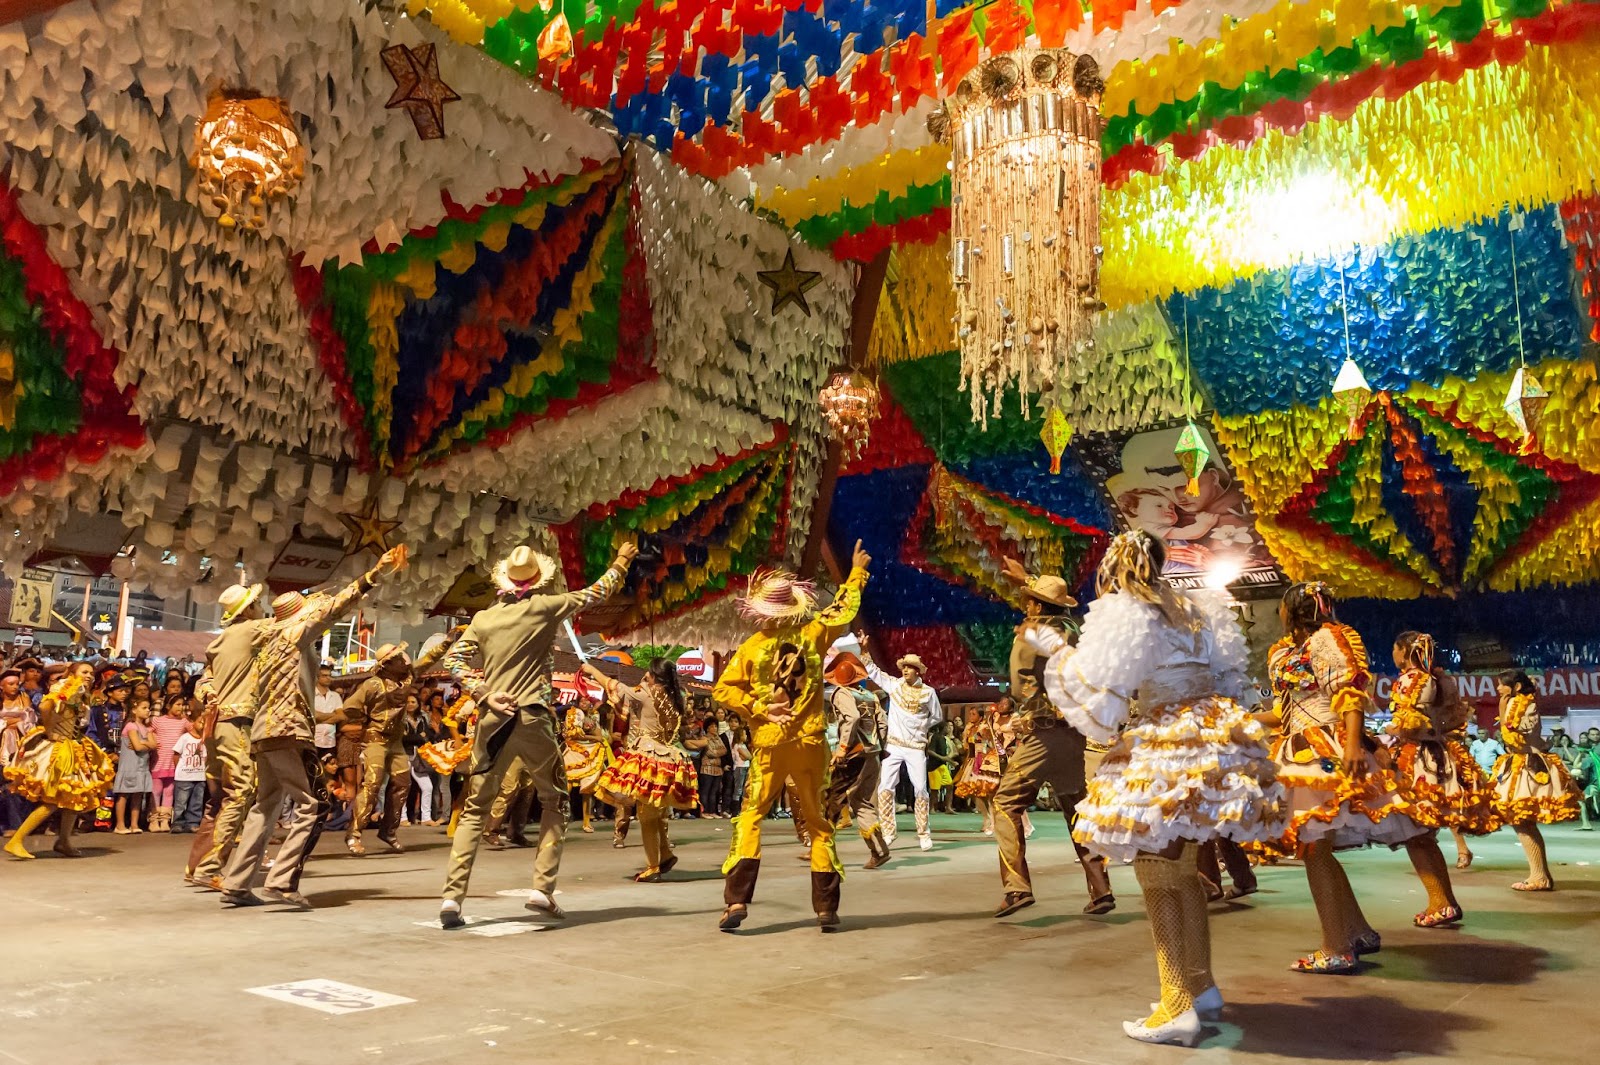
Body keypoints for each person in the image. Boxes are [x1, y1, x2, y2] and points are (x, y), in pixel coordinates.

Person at [1026, 530, 1285, 1047]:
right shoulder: (1198, 605)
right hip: (1212, 736)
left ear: (1119, 565)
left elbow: (1102, 693)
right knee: (1183, 866)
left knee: (1156, 871)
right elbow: (1234, 679)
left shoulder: (1130, 608)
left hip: (1166, 739)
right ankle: (1201, 986)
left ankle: (1176, 1005)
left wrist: (1053, 644)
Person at [436, 540, 636, 929]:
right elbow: (599, 591)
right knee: (554, 800)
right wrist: (623, 560)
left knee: (476, 809)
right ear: (536, 580)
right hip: (533, 717)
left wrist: (483, 692)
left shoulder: (483, 619)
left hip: (491, 718)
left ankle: (451, 899)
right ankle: (542, 889)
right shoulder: (545, 606)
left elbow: (454, 661)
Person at [220, 546, 406, 911]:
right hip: (289, 729)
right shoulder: (293, 635)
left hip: (264, 731)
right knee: (314, 803)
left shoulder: (267, 641)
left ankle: (237, 882)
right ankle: (282, 881)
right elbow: (335, 608)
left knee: (265, 806)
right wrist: (373, 575)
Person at [1257, 582, 1421, 975]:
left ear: (1293, 608)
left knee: (1314, 846)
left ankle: (1335, 947)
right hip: (1295, 749)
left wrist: (1350, 745)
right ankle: (1357, 932)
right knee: (1315, 846)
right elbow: (1285, 710)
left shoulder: (1329, 638)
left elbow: (1348, 692)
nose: (1279, 611)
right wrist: (1240, 719)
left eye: (1282, 604)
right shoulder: (1282, 652)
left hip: (1323, 749)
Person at [713, 541, 871, 933]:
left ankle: (736, 900)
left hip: (770, 742)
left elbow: (722, 691)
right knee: (819, 822)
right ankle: (826, 908)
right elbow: (844, 609)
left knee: (751, 815)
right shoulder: (814, 633)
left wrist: (761, 708)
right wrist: (855, 573)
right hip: (812, 742)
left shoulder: (753, 648)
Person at [991, 561, 1113, 920]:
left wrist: (1030, 705)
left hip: (1043, 733)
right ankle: (1101, 889)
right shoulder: (1077, 630)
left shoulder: (1032, 632)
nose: (1025, 605)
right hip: (1075, 732)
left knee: (1005, 803)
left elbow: (1019, 685)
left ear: (1038, 607)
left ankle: (1016, 888)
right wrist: (1028, 580)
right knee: (1077, 809)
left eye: (1029, 601)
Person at [1386, 631, 1498, 925]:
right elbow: (1452, 723)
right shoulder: (1441, 681)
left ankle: (1441, 903)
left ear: (1404, 651)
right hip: (1439, 754)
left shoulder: (1412, 680)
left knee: (1417, 835)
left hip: (1419, 758)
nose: (1393, 656)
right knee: (1423, 836)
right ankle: (1445, 902)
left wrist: (1383, 737)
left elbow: (1409, 724)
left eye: (1395, 650)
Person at [341, 633, 457, 855]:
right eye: (398, 659)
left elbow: (429, 658)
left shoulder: (408, 677)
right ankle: (353, 834)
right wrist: (364, 721)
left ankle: (388, 830)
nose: (405, 660)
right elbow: (350, 707)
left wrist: (447, 641)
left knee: (403, 784)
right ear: (387, 665)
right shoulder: (372, 684)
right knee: (373, 784)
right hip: (375, 739)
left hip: (395, 742)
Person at [186, 583, 269, 890]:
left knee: (220, 799)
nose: (262, 607)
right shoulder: (252, 629)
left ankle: (197, 864)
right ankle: (209, 867)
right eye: (257, 603)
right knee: (242, 792)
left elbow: (203, 683)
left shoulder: (219, 643)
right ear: (248, 609)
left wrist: (210, 697)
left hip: (217, 726)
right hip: (236, 725)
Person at [589, 659, 699, 881]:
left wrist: (591, 670)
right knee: (657, 813)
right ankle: (665, 854)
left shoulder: (647, 694)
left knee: (647, 816)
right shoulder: (677, 698)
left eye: (648, 672)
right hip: (670, 758)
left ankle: (653, 867)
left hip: (649, 757)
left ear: (654, 675)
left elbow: (613, 685)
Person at [4, 663, 115, 859]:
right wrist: (50, 729)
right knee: (54, 799)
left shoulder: (81, 691)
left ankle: (63, 841)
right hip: (60, 749)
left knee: (74, 797)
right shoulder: (65, 687)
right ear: (73, 673)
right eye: (84, 672)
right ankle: (17, 840)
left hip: (74, 746)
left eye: (91, 673)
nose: (89, 676)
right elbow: (45, 706)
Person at [1491, 670, 1579, 891]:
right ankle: (1540, 875)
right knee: (1521, 821)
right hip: (1519, 763)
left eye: (1502, 685)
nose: (1498, 689)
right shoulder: (1516, 702)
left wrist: (1502, 711)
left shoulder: (1522, 704)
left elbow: (1516, 739)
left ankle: (1539, 876)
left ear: (1517, 687)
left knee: (1522, 820)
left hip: (1527, 766)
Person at [861, 646, 941, 852]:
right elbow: (875, 673)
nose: (905, 670)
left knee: (920, 788)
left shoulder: (928, 692)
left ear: (917, 671)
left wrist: (923, 727)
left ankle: (924, 833)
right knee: (885, 787)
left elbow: (937, 716)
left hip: (915, 747)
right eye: (904, 666)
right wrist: (864, 650)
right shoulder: (895, 685)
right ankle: (889, 832)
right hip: (894, 745)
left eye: (909, 667)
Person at [820, 653, 890, 869]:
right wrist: (880, 747)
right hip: (873, 754)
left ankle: (821, 847)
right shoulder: (870, 696)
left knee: (833, 797)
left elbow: (852, 718)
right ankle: (879, 850)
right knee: (862, 801)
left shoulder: (842, 693)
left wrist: (842, 748)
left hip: (854, 755)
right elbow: (883, 724)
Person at [562, 696, 614, 831]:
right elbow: (573, 734)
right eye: (582, 701)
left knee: (588, 788)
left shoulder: (592, 716)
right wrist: (593, 737)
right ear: (578, 703)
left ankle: (586, 822)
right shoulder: (573, 714)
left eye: (587, 701)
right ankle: (561, 819)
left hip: (591, 751)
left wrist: (596, 734)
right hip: (574, 751)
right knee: (565, 788)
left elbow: (602, 736)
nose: (584, 703)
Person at [954, 703, 1003, 834]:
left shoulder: (985, 728)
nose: (971, 716)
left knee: (987, 793)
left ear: (981, 716)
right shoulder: (969, 728)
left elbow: (989, 745)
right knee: (974, 792)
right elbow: (965, 746)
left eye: (974, 714)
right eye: (970, 714)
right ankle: (986, 817)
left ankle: (993, 821)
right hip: (971, 762)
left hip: (982, 762)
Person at [1, 666, 38, 831]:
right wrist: (7, 723)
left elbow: (30, 721)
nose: (15, 687)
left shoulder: (25, 699)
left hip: (20, 742)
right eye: (10, 684)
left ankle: (17, 824)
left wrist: (17, 723)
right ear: (2, 685)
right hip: (2, 741)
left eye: (16, 683)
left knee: (16, 784)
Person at [112, 700, 156, 834]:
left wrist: (144, 742)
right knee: (124, 793)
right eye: (144, 708)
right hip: (129, 766)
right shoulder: (131, 726)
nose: (148, 710)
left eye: (148, 708)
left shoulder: (147, 728)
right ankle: (120, 825)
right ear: (134, 710)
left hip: (141, 767)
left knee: (138, 794)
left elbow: (154, 745)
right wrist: (146, 743)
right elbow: (137, 746)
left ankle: (134, 823)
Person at [148, 694, 190, 833]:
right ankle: (154, 819)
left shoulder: (184, 722)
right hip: (159, 760)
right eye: (177, 704)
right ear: (168, 706)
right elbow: (146, 731)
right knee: (156, 790)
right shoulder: (157, 720)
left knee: (169, 791)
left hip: (173, 762)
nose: (180, 707)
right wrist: (152, 739)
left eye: (181, 704)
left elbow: (195, 730)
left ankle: (165, 819)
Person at [171, 715, 207, 834]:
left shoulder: (206, 740)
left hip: (200, 775)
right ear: (193, 723)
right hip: (184, 775)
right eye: (200, 722)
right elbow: (176, 754)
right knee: (181, 801)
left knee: (196, 801)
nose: (202, 725)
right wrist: (179, 769)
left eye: (205, 723)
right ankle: (177, 823)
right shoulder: (185, 738)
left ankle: (193, 823)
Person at [928, 719, 958, 814]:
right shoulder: (935, 737)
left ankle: (948, 807)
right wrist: (942, 758)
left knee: (950, 785)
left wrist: (949, 760)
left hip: (942, 766)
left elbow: (946, 756)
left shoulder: (944, 739)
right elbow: (930, 751)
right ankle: (932, 808)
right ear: (943, 728)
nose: (949, 729)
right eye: (947, 727)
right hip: (934, 766)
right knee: (934, 789)